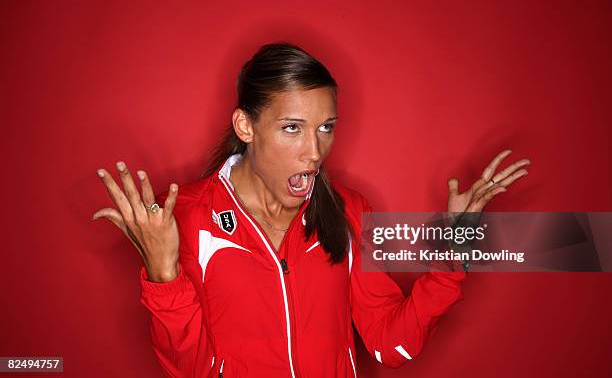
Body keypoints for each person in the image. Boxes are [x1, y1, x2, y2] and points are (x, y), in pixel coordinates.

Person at [92, 42, 530, 377]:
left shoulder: (350, 211)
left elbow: (390, 345)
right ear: (246, 126)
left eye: (325, 128)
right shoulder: (185, 216)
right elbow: (191, 370)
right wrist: (163, 275)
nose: (314, 151)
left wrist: (453, 251)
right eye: (292, 128)